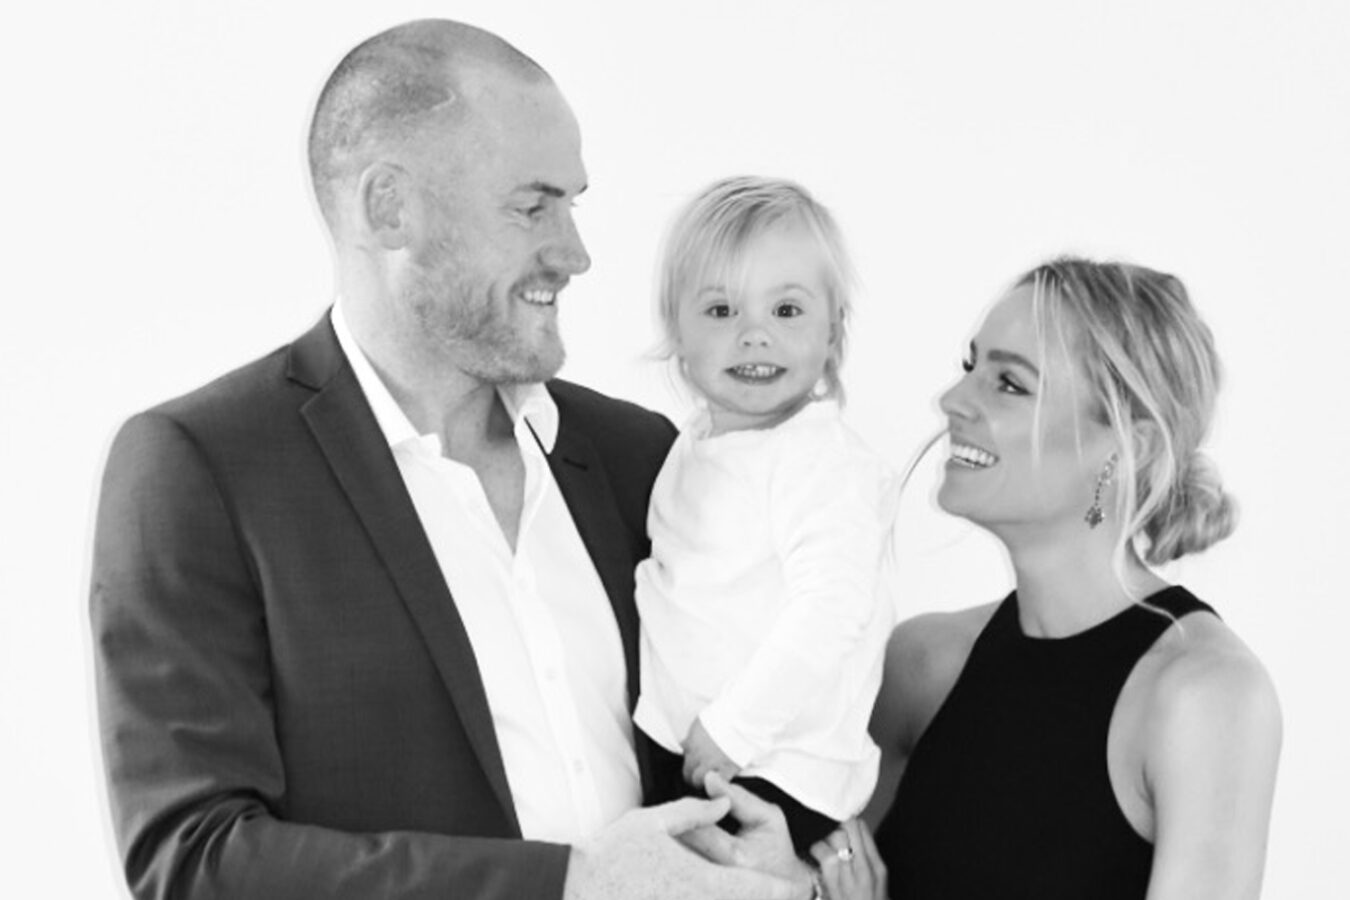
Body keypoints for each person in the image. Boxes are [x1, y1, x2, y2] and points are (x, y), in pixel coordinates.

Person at [89, 19, 806, 900]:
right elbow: (194, 859)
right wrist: (570, 885)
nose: (574, 253)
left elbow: (721, 742)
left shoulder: (638, 456)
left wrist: (788, 862)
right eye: (532, 206)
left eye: (573, 205)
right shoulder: (201, 469)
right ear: (389, 208)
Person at [811, 258, 1282, 899]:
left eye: (1009, 383)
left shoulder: (1205, 696)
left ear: (1130, 445)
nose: (952, 401)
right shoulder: (921, 665)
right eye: (970, 366)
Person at [632, 176, 896, 856]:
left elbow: (832, 608)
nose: (754, 336)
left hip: (773, 769)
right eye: (721, 310)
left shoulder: (820, 460)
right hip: (692, 750)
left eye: (787, 310)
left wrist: (734, 729)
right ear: (676, 329)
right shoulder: (695, 444)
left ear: (833, 331)